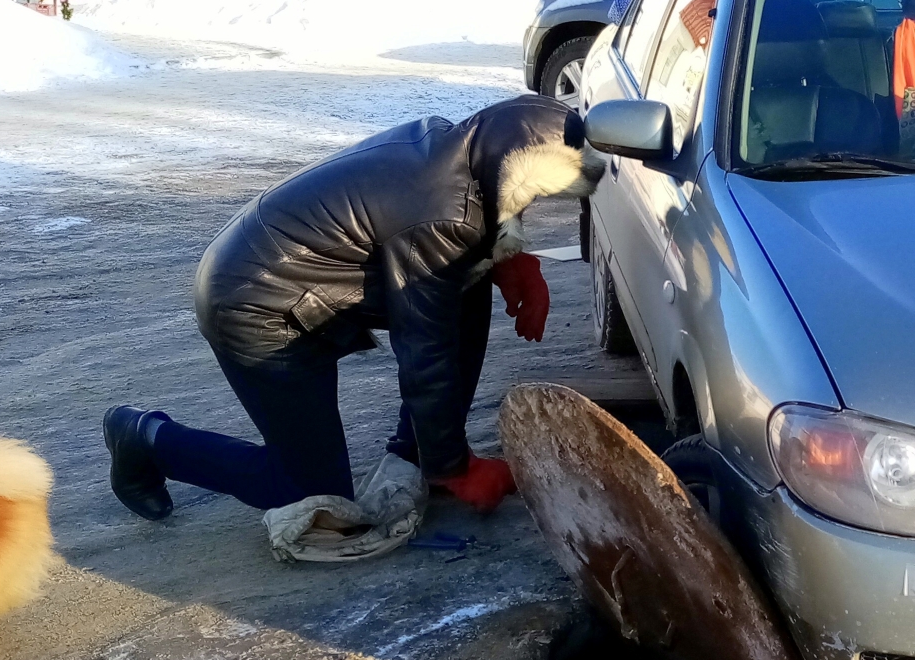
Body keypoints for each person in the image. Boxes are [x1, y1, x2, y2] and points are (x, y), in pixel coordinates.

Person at [102, 95, 598, 540]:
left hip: (290, 268)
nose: (532, 204)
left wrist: (509, 259)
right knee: (309, 488)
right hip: (255, 305)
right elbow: (425, 349)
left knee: (462, 283)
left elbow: (466, 234)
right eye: (534, 195)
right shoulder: (444, 217)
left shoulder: (461, 147)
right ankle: (145, 439)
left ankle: (418, 455)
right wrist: (458, 468)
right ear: (518, 170)